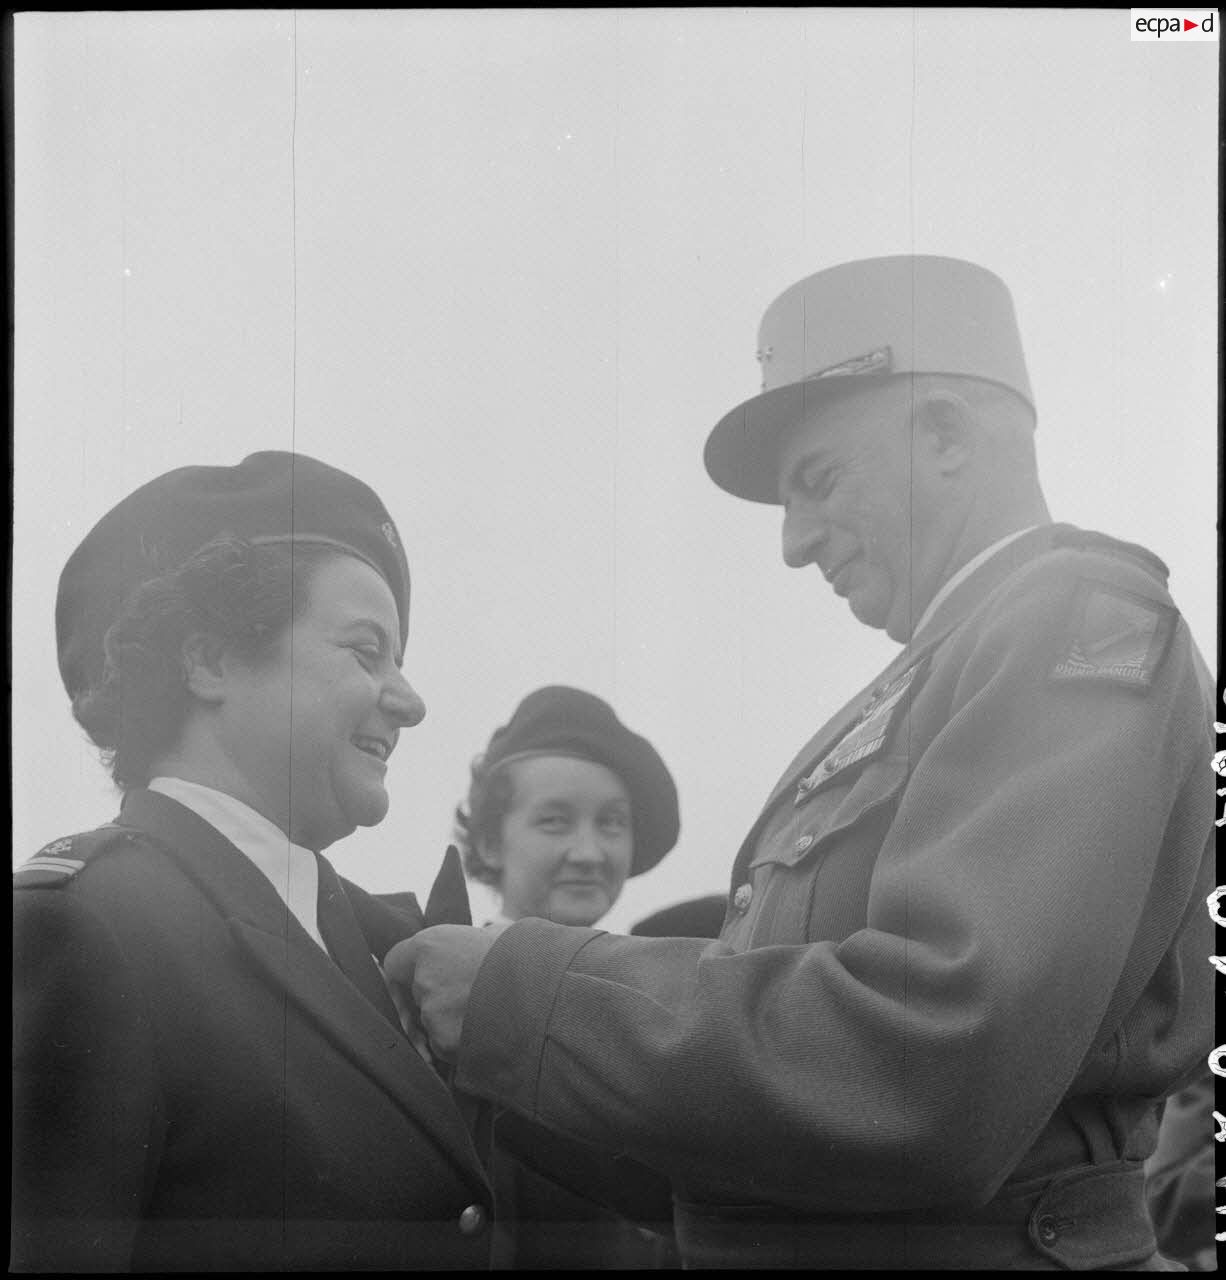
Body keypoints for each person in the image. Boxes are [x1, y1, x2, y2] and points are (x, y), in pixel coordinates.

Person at [385, 256, 1216, 1269]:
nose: (791, 543)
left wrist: (528, 997)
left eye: (815, 482)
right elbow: (765, 1138)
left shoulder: (1067, 623)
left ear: (946, 434)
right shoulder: (944, 669)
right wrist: (494, 1056)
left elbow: (930, 1070)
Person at [12, 451, 494, 1271]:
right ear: (210, 661)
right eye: (366, 651)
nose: (411, 701)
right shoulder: (80, 928)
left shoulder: (372, 941)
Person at [454, 684, 684, 1268]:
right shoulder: (435, 1001)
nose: (588, 851)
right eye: (554, 821)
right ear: (489, 839)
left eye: (612, 823)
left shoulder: (653, 1010)